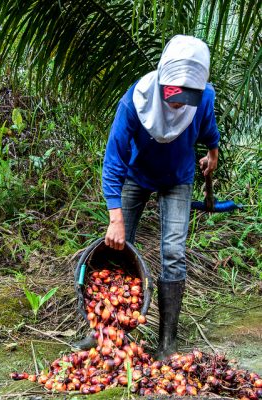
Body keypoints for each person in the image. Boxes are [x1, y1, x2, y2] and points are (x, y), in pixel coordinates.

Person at [73, 35, 219, 358]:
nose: (178, 101)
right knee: (115, 244)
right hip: (137, 176)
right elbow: (113, 163)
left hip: (178, 179)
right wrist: (116, 218)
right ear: (163, 79)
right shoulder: (135, 102)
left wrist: (212, 155)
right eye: (173, 92)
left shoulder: (202, 99)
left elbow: (210, 132)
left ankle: (167, 342)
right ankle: (102, 330)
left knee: (173, 252)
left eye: (186, 95)